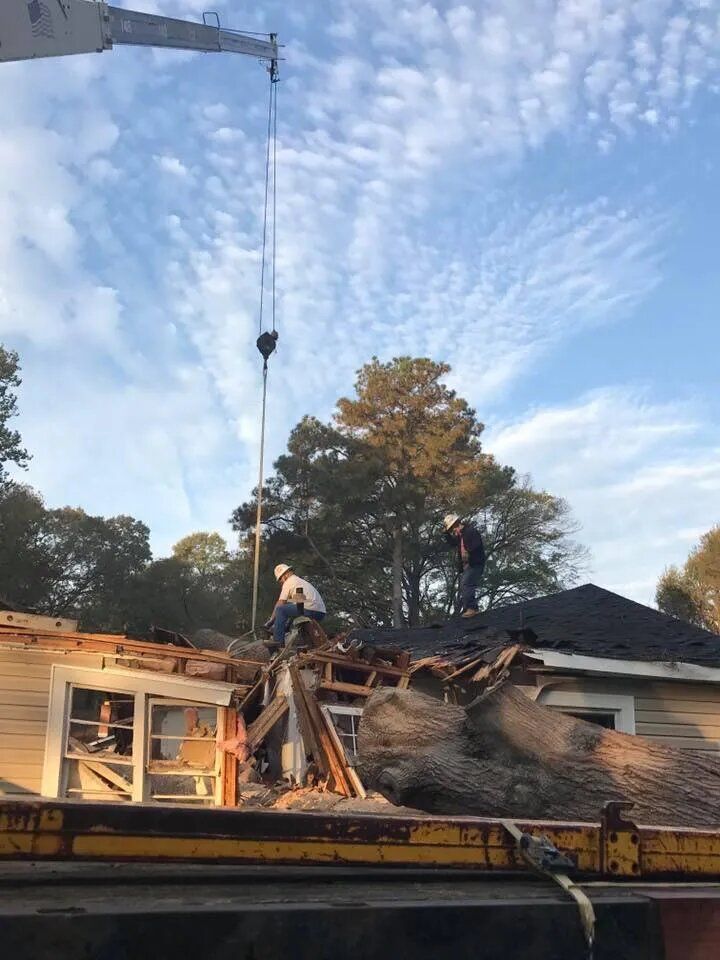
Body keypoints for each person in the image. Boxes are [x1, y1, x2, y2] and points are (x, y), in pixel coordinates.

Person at [265, 563, 326, 647]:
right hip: (320, 613)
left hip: (310, 610)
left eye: (280, 579)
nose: (281, 582)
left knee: (280, 610)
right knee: (290, 608)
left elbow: (281, 602)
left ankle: (278, 642)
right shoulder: (299, 581)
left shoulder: (289, 581)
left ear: (285, 575)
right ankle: (287, 630)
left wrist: (270, 621)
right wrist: (286, 625)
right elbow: (297, 605)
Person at [443, 514, 485, 618]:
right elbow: (453, 543)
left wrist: (468, 552)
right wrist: (446, 534)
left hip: (475, 563)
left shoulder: (471, 531)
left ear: (457, 524)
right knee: (464, 585)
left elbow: (477, 545)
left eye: (453, 528)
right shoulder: (460, 536)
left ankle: (472, 609)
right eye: (451, 530)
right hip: (467, 566)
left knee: (466, 584)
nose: (453, 531)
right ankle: (469, 608)